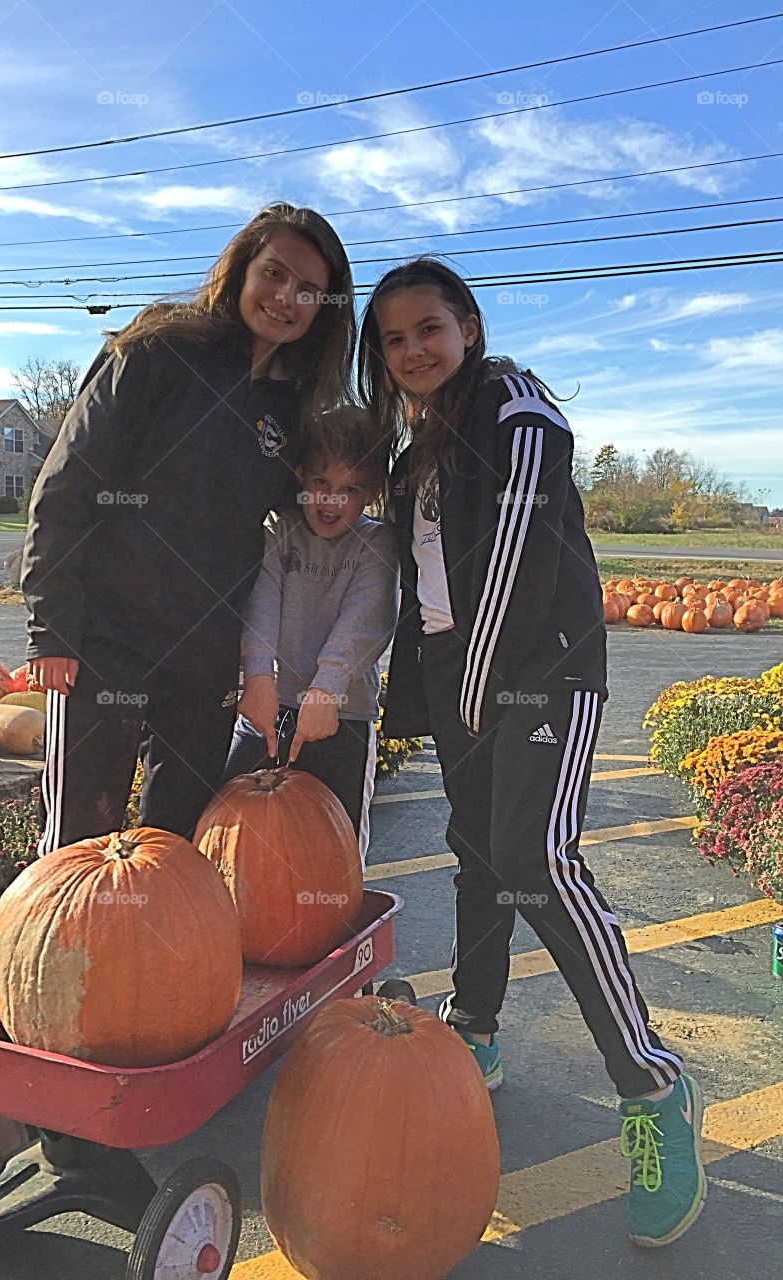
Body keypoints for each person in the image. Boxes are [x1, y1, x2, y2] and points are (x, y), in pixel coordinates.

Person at [357, 257, 705, 1249]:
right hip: (456, 674)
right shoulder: (417, 449)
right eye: (393, 339)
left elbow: (510, 558)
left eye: (429, 328)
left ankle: (653, 1083)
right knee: (478, 854)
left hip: (540, 670)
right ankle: (476, 1024)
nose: (413, 349)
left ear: (467, 326)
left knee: (538, 861)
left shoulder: (516, 411)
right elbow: (419, 582)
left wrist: (475, 683)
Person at [21, 202, 355, 852]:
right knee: (78, 838)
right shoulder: (157, 350)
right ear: (242, 269)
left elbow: (312, 515)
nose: (286, 298)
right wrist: (51, 629)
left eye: (308, 289)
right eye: (275, 273)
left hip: (205, 655)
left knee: (176, 838)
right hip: (104, 636)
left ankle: (157, 925)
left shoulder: (293, 409)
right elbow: (66, 485)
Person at [222, 407, 399, 864]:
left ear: (370, 493)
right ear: (300, 475)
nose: (331, 500)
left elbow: (366, 620)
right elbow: (261, 607)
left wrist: (326, 690)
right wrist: (257, 678)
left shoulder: (376, 543)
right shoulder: (280, 530)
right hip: (268, 707)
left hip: (342, 714)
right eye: (321, 482)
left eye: (350, 490)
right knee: (232, 830)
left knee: (334, 850)